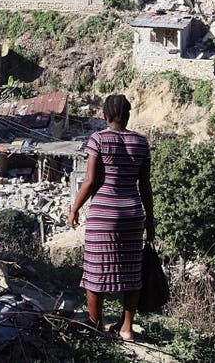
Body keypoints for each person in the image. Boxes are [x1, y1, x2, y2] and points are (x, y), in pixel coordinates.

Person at [68, 94, 155, 342]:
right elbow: (145, 185)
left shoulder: (99, 139)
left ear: (105, 116)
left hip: (104, 215)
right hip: (133, 214)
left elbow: (90, 180)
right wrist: (150, 219)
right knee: (131, 272)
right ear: (127, 115)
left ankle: (96, 324)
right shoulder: (141, 142)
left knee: (96, 271)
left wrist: (74, 209)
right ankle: (126, 328)